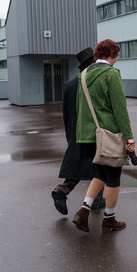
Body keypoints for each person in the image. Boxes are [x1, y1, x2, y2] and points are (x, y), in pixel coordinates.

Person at [72, 39, 136, 233]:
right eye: (116, 55)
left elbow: (80, 108)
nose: (117, 59)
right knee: (114, 176)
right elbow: (120, 110)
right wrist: (129, 137)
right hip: (108, 134)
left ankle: (83, 211)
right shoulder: (111, 74)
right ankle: (109, 218)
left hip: (89, 136)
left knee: (99, 173)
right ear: (111, 54)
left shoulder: (83, 75)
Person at [51, 47, 103, 215]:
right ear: (93, 62)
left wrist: (69, 136)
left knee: (78, 165)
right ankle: (95, 199)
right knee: (101, 165)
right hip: (94, 132)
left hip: (75, 132)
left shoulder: (70, 84)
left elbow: (65, 113)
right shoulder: (95, 81)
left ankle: (62, 190)